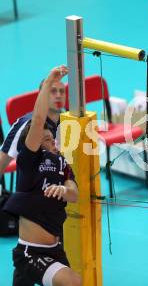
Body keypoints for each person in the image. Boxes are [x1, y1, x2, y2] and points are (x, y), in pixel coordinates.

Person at [3, 66, 82, 286]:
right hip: (31, 252)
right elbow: (38, 121)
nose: (51, 141)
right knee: (72, 281)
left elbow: (74, 193)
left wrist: (65, 190)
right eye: (45, 140)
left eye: (51, 138)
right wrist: (48, 81)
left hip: (55, 247)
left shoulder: (62, 163)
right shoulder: (30, 162)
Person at [0, 78, 65, 181]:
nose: (58, 95)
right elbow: (1, 163)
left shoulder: (69, 122)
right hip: (31, 193)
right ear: (41, 96)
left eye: (62, 91)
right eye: (52, 91)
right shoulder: (25, 124)